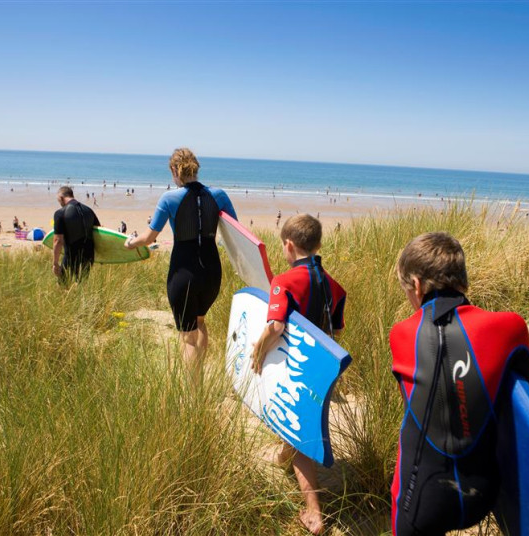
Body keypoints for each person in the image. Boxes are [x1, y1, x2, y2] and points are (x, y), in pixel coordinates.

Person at [389, 232, 529, 536]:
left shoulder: (401, 334)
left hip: (420, 499)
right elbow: (527, 390)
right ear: (463, 278)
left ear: (416, 286)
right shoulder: (510, 326)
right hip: (484, 492)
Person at [251, 214, 346, 535]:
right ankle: (283, 454)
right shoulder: (335, 286)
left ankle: (313, 513)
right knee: (300, 425)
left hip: (296, 364)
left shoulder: (284, 281)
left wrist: (259, 350)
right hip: (320, 366)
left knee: (301, 434)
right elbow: (334, 334)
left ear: (289, 245)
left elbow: (276, 327)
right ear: (317, 244)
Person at [124, 148, 236, 376]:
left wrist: (130, 243)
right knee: (200, 321)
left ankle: (194, 394)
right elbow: (236, 231)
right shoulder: (220, 195)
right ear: (196, 168)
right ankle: (201, 379)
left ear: (175, 170)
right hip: (212, 270)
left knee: (187, 336)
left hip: (183, 271)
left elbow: (149, 238)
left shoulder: (169, 198)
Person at [52, 186, 101, 282]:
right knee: (82, 286)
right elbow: (98, 232)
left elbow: (58, 241)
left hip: (71, 257)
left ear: (61, 198)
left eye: (59, 200)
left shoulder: (60, 213)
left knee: (63, 287)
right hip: (89, 256)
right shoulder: (89, 210)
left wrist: (55, 263)